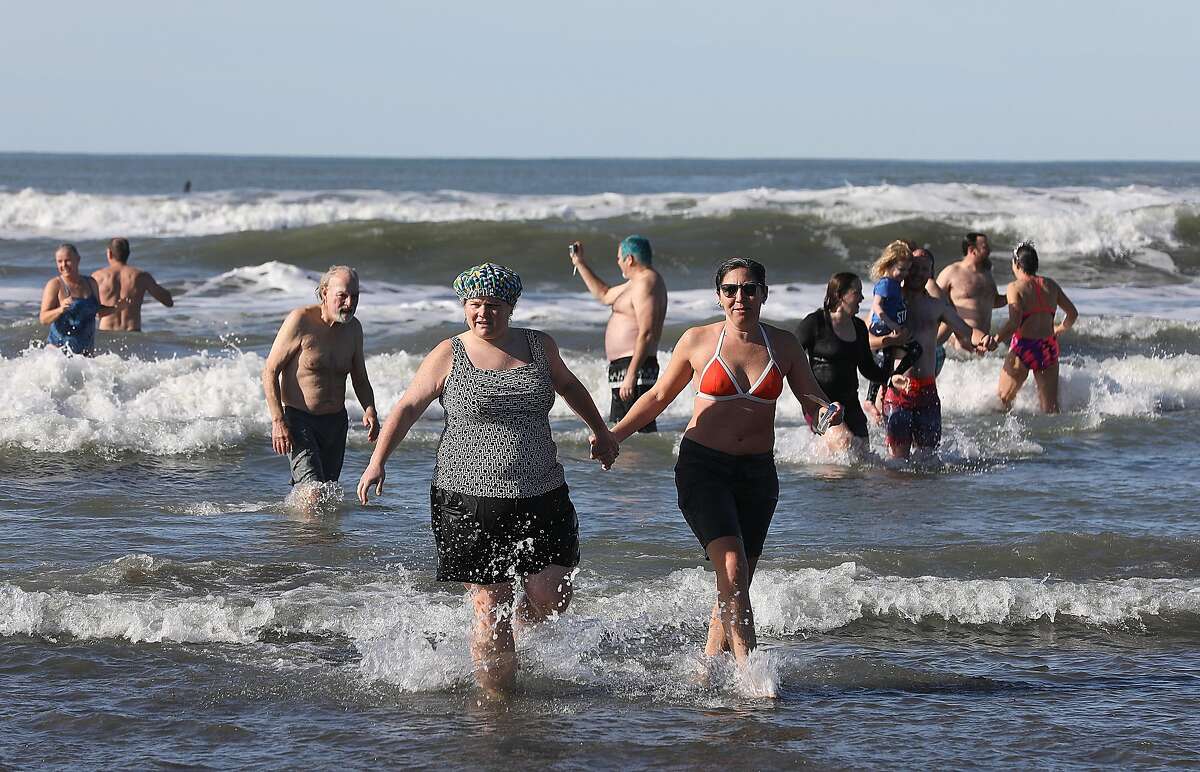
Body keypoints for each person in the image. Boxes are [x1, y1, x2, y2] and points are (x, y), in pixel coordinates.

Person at [356, 263, 619, 698]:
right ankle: (497, 708)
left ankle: (517, 646)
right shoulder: (449, 354)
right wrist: (377, 461)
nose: (483, 314)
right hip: (467, 498)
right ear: (464, 308)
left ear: (510, 307)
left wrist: (600, 431)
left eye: (493, 306)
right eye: (475, 305)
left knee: (551, 596)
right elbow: (406, 408)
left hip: (542, 490)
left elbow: (571, 387)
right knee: (489, 606)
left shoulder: (540, 346)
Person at [608, 257, 842, 670]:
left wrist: (825, 413)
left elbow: (810, 395)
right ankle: (751, 679)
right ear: (719, 297)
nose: (740, 297)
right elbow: (659, 397)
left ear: (763, 294)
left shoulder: (783, 345)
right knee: (733, 571)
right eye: (731, 290)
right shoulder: (698, 340)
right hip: (703, 469)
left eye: (749, 288)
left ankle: (707, 669)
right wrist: (614, 436)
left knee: (735, 583)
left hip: (757, 475)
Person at [261, 266, 379, 499]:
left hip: (336, 424)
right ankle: (308, 533)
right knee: (313, 493)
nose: (349, 303)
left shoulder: (354, 329)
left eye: (354, 296)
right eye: (342, 296)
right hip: (300, 421)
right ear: (325, 293)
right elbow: (270, 371)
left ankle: (304, 533)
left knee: (325, 495)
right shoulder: (301, 321)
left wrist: (370, 408)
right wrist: (278, 421)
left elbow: (360, 377)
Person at [872, 249, 992, 460]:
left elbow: (967, 331)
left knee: (928, 462)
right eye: (914, 268)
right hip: (898, 393)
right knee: (897, 465)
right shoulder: (890, 303)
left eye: (924, 269)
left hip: (927, 391)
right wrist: (889, 341)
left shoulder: (937, 307)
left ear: (931, 274)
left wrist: (984, 339)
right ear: (906, 270)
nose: (918, 273)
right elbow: (866, 340)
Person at [569, 236, 668, 432]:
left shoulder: (646, 282)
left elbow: (646, 332)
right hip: (624, 367)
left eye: (619, 258)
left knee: (636, 432)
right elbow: (604, 294)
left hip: (635, 366)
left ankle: (639, 464)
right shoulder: (636, 283)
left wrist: (631, 374)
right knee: (620, 430)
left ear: (629, 259)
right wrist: (580, 263)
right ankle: (627, 464)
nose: (618, 263)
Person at [797, 272, 889, 453]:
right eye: (857, 292)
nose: (862, 298)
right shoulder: (815, 323)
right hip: (820, 405)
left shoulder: (859, 328)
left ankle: (829, 476)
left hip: (850, 403)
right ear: (839, 295)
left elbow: (868, 369)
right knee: (844, 442)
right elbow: (791, 355)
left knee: (862, 457)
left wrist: (891, 376)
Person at [993, 241, 1078, 413]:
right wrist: (1059, 329)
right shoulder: (1051, 285)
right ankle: (1051, 440)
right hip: (1048, 348)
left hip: (1024, 348)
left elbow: (1014, 322)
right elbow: (1072, 314)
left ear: (1017, 264)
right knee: (1051, 410)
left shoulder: (1015, 287)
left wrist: (995, 340)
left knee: (1002, 402)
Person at [936, 232, 1006, 350]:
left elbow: (993, 302)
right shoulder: (952, 272)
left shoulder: (987, 274)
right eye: (985, 247)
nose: (989, 250)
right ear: (972, 250)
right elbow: (933, 302)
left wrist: (1013, 295)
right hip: (959, 348)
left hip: (982, 346)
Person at [39, 243, 112, 356]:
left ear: (78, 259)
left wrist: (117, 308)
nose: (64, 265)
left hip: (85, 358)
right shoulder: (55, 284)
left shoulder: (91, 283)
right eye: (59, 261)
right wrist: (60, 309)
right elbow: (43, 319)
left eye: (68, 260)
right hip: (58, 356)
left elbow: (98, 311)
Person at [92, 237, 174, 332]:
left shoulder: (98, 277)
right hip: (132, 334)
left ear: (109, 253)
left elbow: (91, 311)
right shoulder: (141, 276)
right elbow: (168, 302)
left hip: (107, 333)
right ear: (128, 254)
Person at [868, 240, 922, 379]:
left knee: (916, 350)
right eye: (901, 269)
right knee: (884, 361)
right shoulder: (885, 283)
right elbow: (876, 305)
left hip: (893, 326)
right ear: (889, 264)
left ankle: (895, 376)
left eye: (908, 269)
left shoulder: (896, 283)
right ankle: (876, 393)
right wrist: (891, 324)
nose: (905, 273)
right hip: (881, 326)